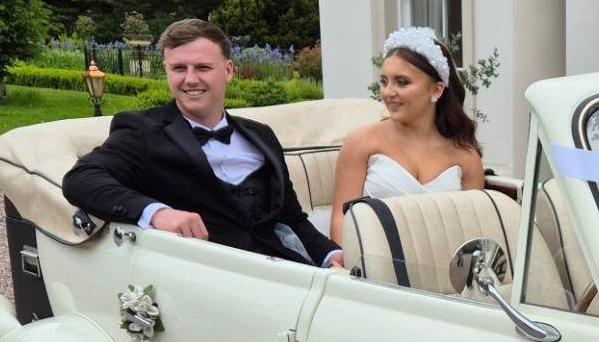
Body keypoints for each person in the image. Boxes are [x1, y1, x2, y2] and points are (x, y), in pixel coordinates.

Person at [63, 18, 342, 268]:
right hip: (202, 278)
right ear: (167, 71)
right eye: (179, 68)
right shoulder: (141, 131)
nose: (190, 79)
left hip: (281, 270)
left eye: (203, 67)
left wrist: (330, 255)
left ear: (229, 70)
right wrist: (157, 213)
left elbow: (291, 218)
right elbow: (82, 178)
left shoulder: (262, 136)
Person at [323, 26, 484, 244]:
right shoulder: (361, 142)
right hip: (371, 267)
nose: (388, 92)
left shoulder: (466, 156)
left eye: (402, 82)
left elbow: (473, 230)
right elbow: (341, 220)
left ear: (436, 90)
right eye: (384, 81)